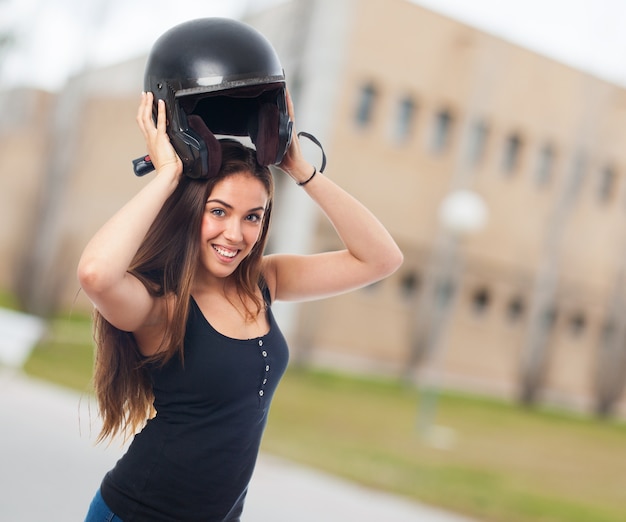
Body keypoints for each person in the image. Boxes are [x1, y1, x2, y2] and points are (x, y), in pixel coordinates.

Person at [79, 85, 402, 521]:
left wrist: (300, 168)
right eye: (219, 211)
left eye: (252, 216)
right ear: (191, 210)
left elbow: (381, 258)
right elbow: (96, 274)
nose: (236, 234)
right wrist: (169, 175)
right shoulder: (163, 306)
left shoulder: (265, 281)